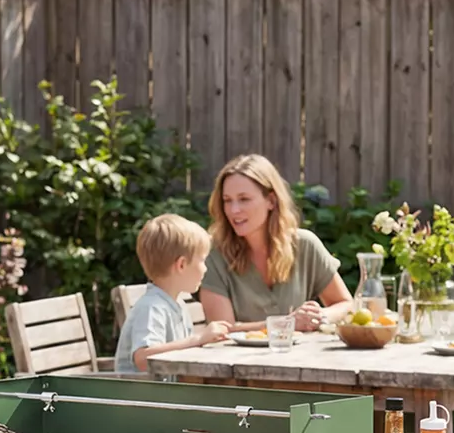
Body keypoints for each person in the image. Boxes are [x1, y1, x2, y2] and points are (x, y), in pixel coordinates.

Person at [198, 154, 354, 333]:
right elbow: (222, 330)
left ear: (271, 201)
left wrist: (319, 316)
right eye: (227, 200)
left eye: (244, 199)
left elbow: (345, 303)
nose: (234, 210)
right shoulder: (213, 254)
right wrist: (288, 323)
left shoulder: (304, 245)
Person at [116, 214, 234, 374]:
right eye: (202, 260)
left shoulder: (176, 303)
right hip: (139, 390)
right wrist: (198, 339)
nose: (206, 268)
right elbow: (143, 358)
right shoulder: (152, 307)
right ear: (182, 265)